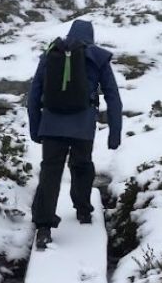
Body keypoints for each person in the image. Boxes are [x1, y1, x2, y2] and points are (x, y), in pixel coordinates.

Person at [27, 19, 122, 250]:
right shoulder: (98, 57)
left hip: (51, 125)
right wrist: (115, 133)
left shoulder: (51, 54)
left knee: (50, 173)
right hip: (83, 126)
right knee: (82, 165)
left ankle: (44, 228)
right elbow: (113, 96)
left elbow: (33, 95)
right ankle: (83, 210)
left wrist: (35, 128)